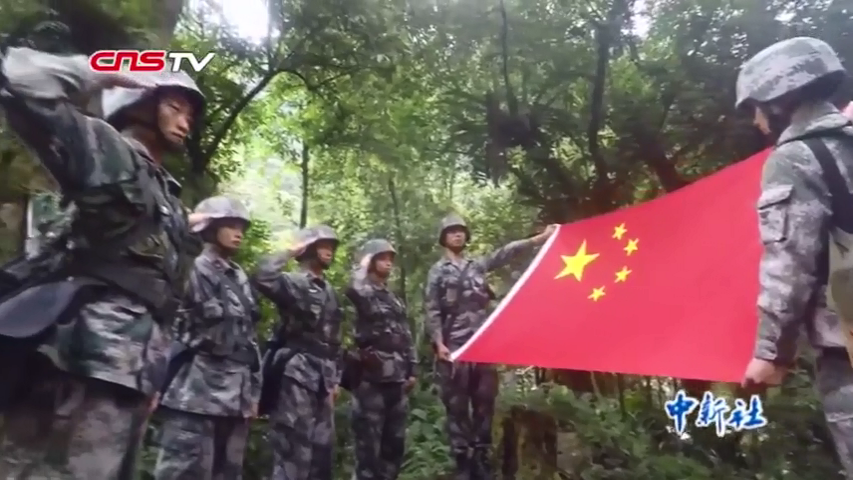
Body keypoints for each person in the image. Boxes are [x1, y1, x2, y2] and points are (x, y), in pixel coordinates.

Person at [0, 48, 208, 477]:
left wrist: (154, 375)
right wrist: (94, 72)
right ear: (140, 103)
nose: (186, 122)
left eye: (189, 113)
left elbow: (163, 294)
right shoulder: (108, 151)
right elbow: (20, 77)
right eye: (174, 107)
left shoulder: (167, 197)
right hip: (80, 365)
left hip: (129, 375)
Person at [736, 37, 853, 477]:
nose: (757, 120)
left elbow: (790, 264)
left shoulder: (796, 157)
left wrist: (772, 352)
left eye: (756, 107)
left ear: (778, 99)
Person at [423, 213, 556, 480]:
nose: (457, 234)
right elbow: (432, 309)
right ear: (444, 238)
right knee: (457, 409)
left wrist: (540, 239)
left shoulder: (478, 265)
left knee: (485, 404)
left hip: (482, 347)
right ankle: (463, 464)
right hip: (455, 349)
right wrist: (439, 343)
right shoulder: (438, 271)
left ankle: (482, 460)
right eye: (452, 231)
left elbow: (506, 253)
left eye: (461, 231)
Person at [154, 196, 261, 479]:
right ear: (210, 228)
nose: (239, 233)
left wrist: (253, 392)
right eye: (231, 225)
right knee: (184, 472)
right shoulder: (191, 268)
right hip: (196, 394)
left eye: (242, 227)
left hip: (236, 397)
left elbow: (249, 338)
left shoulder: (238, 276)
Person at [252, 225, 344, 480]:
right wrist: (290, 251)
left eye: (332, 246)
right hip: (297, 374)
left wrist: (335, 378)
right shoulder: (293, 282)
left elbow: (335, 338)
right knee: (293, 450)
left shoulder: (329, 291)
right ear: (309, 249)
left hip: (324, 378)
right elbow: (262, 276)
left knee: (321, 455)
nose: (329, 250)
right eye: (323, 245)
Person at [345, 238, 417, 480]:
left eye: (390, 259)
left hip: (397, 380)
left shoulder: (393, 298)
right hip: (371, 381)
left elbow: (405, 333)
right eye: (382, 258)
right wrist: (363, 265)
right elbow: (353, 289)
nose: (388, 263)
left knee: (393, 449)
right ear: (372, 261)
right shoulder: (363, 291)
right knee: (368, 451)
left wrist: (412, 368)